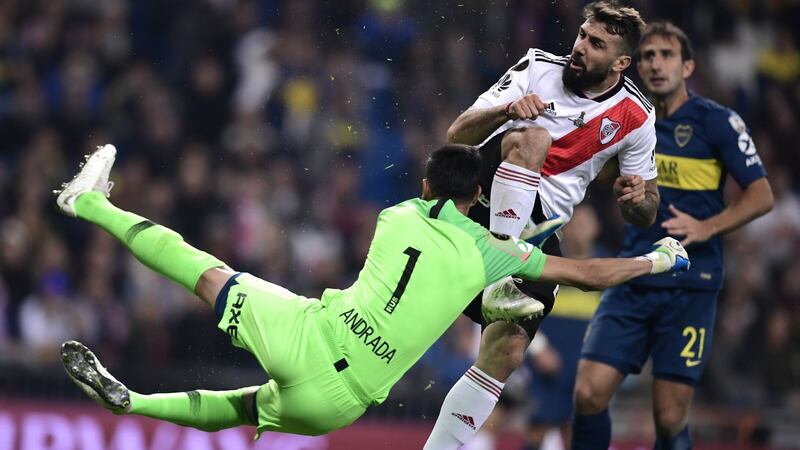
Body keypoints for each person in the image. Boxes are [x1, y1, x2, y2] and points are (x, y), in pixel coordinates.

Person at [57, 143, 687, 439]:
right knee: (244, 409)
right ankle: (135, 403)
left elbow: (440, 218)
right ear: (478, 197)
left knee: (203, 270)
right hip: (342, 404)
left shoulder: (396, 214)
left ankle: (88, 202)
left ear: (425, 185)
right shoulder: (490, 252)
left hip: (311, 336)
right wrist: (654, 259)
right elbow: (586, 274)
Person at [425, 2, 659, 448]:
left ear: (621, 63)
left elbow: (647, 208)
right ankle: (502, 258)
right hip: (483, 192)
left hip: (540, 228)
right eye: (582, 35)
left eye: (596, 44)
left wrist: (636, 200)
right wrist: (507, 109)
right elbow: (458, 134)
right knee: (534, 137)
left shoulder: (637, 116)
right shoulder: (537, 66)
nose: (580, 47)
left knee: (507, 350)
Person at [571, 22, 774, 450]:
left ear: (688, 67)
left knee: (668, 418)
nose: (656, 64)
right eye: (647, 56)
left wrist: (706, 227)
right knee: (587, 394)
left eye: (666, 55)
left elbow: (762, 195)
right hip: (633, 276)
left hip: (690, 285)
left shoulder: (718, 122)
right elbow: (601, 176)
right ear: (636, 65)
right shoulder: (626, 118)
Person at [525, 205, 605, 450]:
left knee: (576, 430)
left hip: (585, 364)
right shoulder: (548, 262)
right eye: (574, 225)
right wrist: (538, 348)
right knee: (539, 429)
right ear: (565, 230)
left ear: (596, 228)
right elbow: (524, 306)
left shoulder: (607, 268)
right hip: (549, 362)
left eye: (585, 225)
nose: (579, 231)